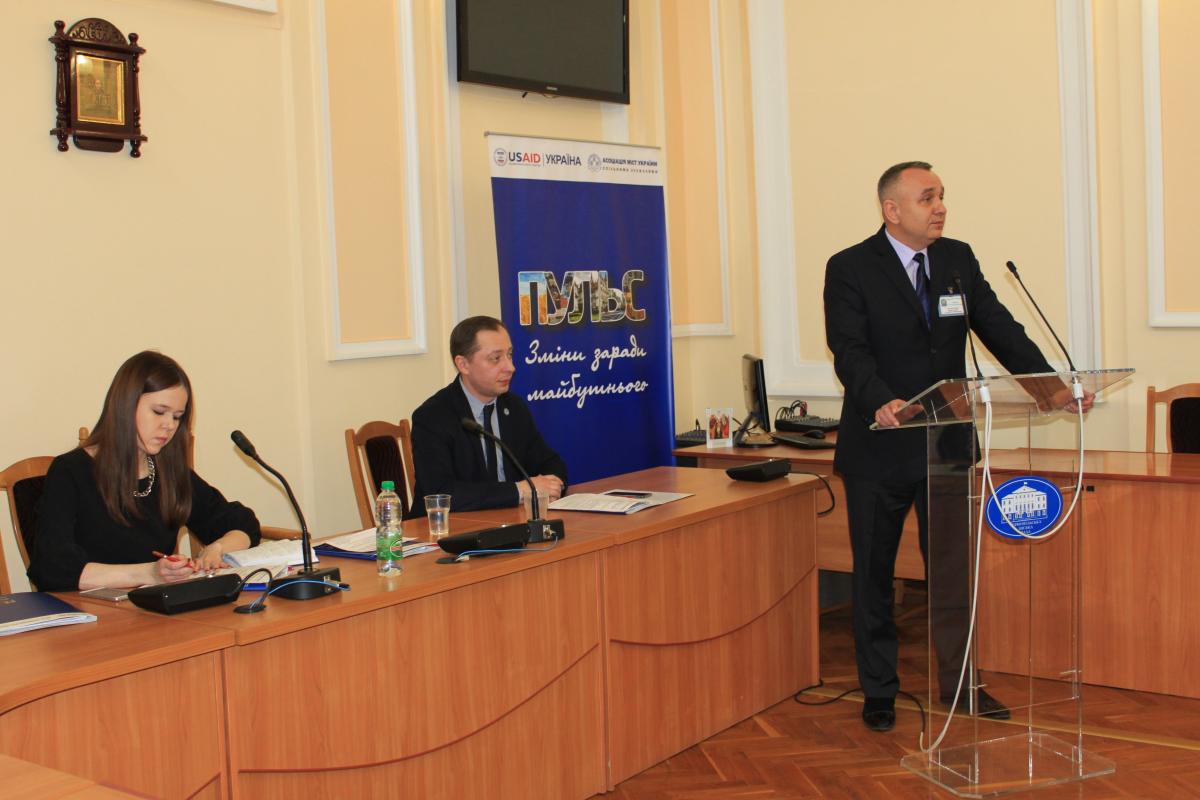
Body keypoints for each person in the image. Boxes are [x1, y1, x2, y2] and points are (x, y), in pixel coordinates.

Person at [823, 161, 1092, 732]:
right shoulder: (850, 267)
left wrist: (1052, 389)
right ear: (892, 210)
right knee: (873, 575)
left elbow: (1000, 329)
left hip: (946, 446)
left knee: (952, 575)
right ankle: (879, 691)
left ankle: (962, 684)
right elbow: (848, 348)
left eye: (941, 195)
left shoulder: (957, 260)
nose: (940, 206)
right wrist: (881, 400)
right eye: (927, 198)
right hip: (880, 446)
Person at [27, 351, 261, 591]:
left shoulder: (170, 473)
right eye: (159, 412)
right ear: (125, 406)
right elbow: (52, 567)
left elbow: (243, 524)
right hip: (88, 608)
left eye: (177, 417)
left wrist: (217, 548)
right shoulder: (70, 472)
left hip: (154, 607)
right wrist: (149, 573)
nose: (169, 425)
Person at [410, 315, 567, 516]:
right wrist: (519, 491)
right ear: (463, 364)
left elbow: (550, 462)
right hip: (450, 529)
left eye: (510, 355)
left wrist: (553, 486)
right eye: (496, 358)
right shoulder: (432, 417)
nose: (510, 367)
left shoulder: (513, 407)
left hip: (510, 521)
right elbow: (440, 493)